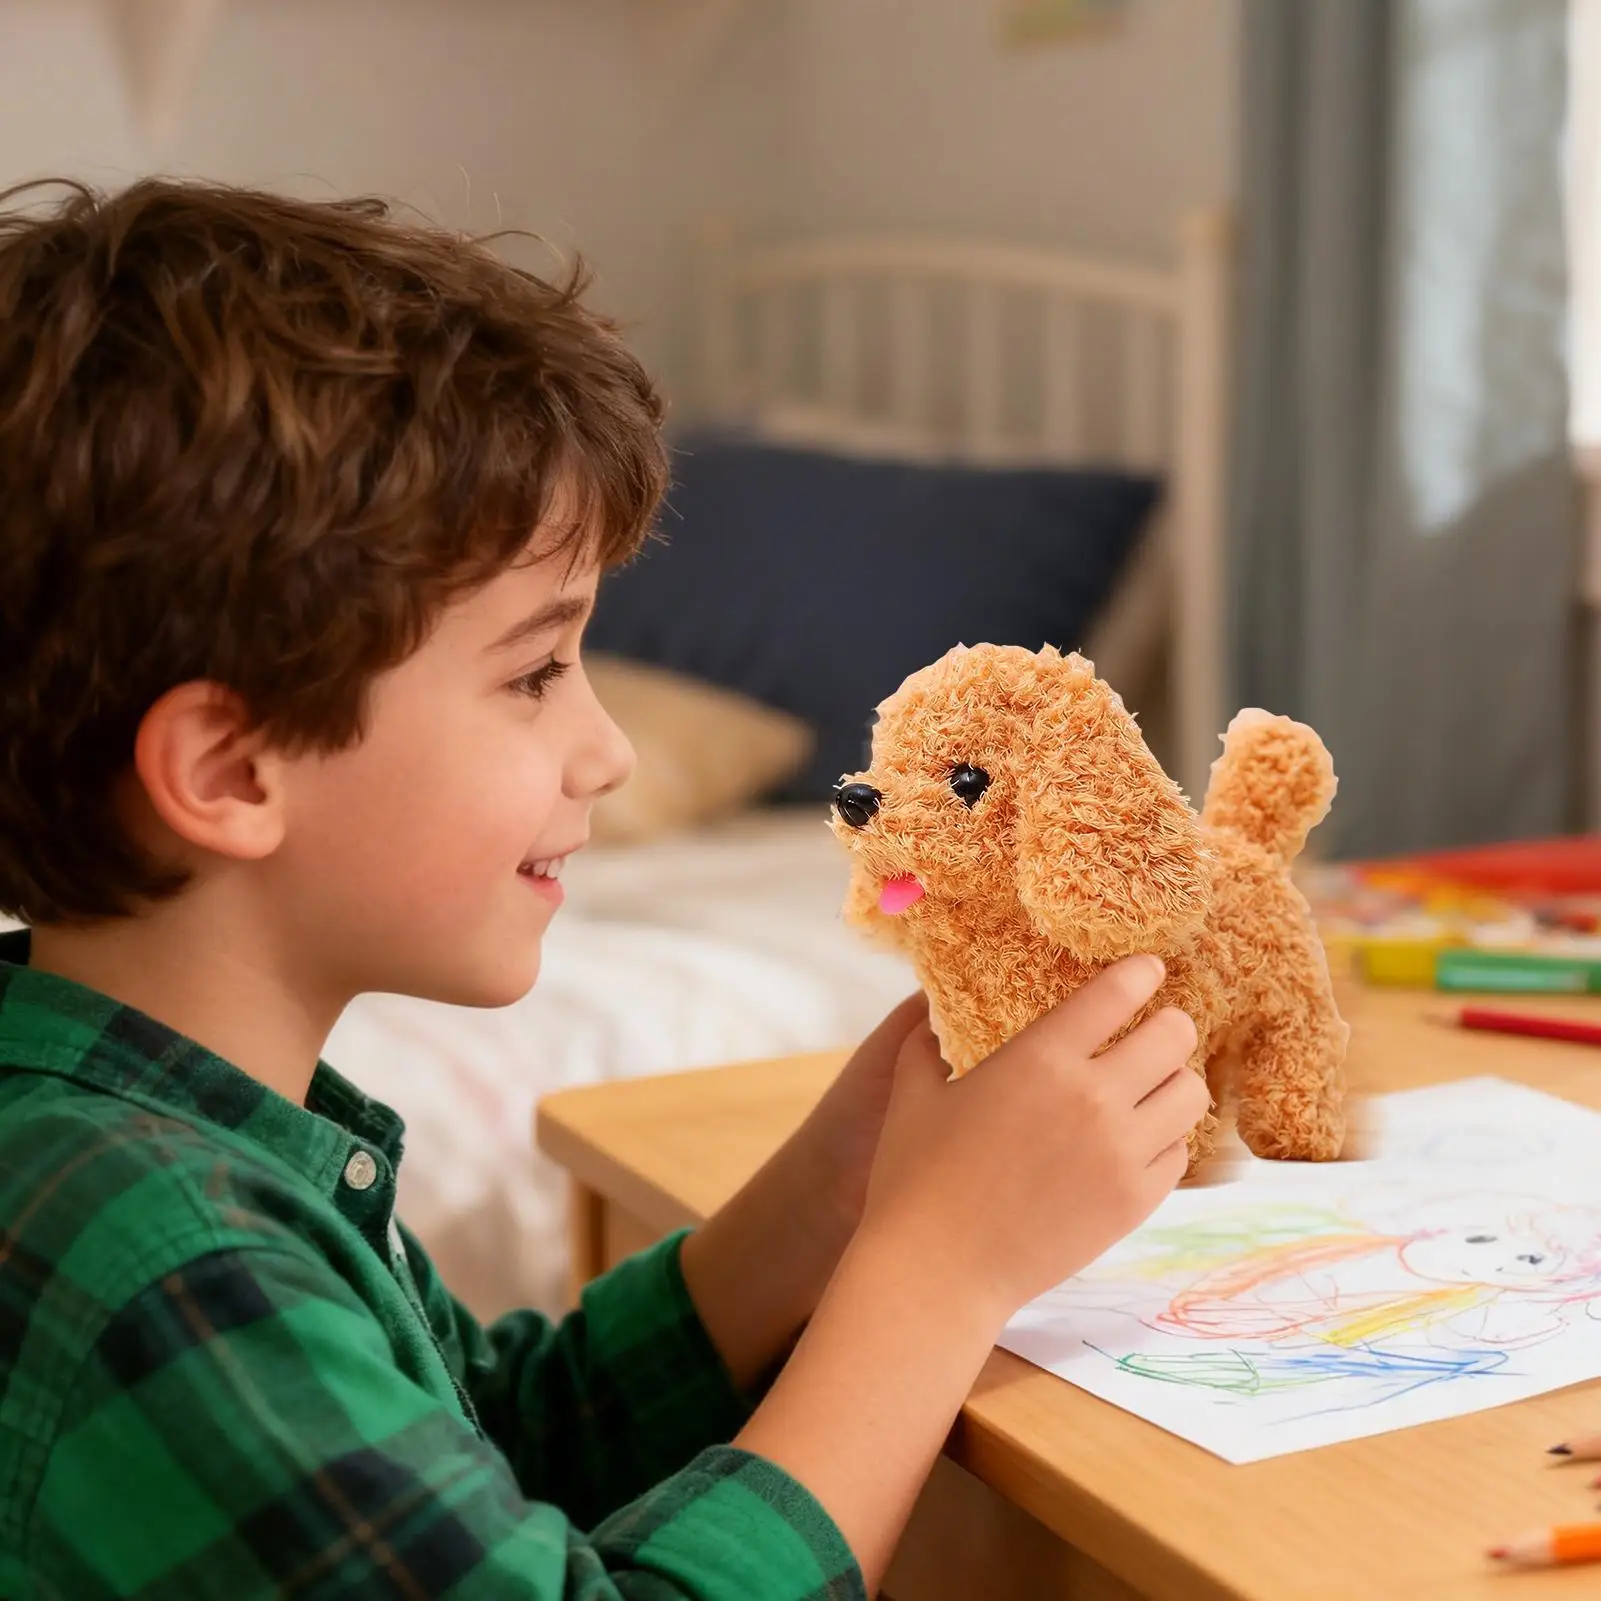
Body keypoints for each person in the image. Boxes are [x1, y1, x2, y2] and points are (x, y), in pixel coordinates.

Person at [0, 177, 1208, 1599]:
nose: (610, 748)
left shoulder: (176, 1135)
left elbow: (485, 1461)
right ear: (233, 769)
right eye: (531, 672)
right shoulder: (158, 1250)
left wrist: (827, 1205)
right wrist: (941, 1272)